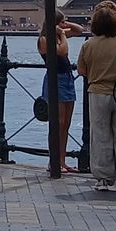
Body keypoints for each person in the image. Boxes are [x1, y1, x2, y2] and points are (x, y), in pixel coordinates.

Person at [76, 2, 116, 194]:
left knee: (100, 137)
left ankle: (103, 178)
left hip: (97, 93)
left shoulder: (88, 45)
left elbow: (81, 70)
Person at [36, 11, 82, 173]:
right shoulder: (44, 40)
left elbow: (79, 30)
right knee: (58, 123)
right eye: (61, 22)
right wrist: (62, 34)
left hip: (67, 77)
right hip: (55, 80)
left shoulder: (59, 35)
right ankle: (53, 160)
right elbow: (63, 51)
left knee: (66, 124)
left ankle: (63, 160)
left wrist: (66, 26)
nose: (63, 25)